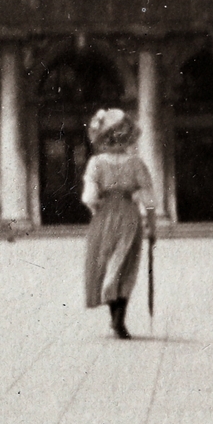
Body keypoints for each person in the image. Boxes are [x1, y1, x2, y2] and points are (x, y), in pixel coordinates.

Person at [82, 108, 157, 339]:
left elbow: (89, 197)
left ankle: (114, 317)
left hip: (103, 218)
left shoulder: (96, 163)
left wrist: (98, 207)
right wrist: (152, 226)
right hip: (128, 216)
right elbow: (150, 199)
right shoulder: (136, 164)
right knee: (125, 266)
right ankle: (119, 320)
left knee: (105, 265)